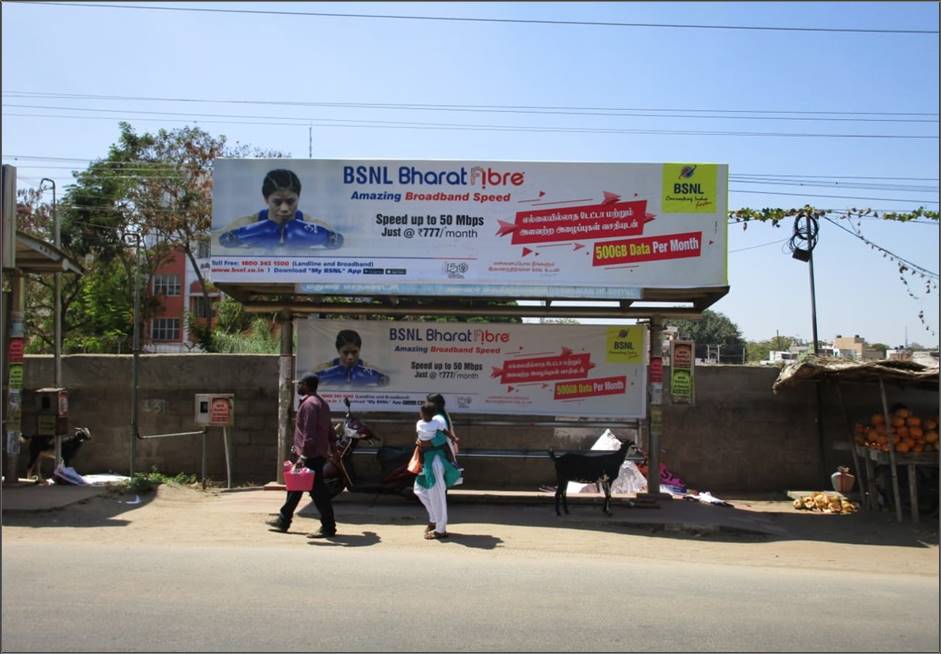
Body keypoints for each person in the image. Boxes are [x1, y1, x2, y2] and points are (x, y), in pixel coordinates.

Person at [266, 373, 338, 538]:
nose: (298, 386)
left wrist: (303, 457)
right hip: (316, 454)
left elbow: (309, 433)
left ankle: (328, 527)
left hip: (310, 455)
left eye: (300, 384)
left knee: (318, 493)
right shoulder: (322, 403)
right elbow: (329, 429)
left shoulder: (309, 405)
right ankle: (283, 521)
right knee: (295, 488)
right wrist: (333, 448)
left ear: (306, 385)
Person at [216, 168, 344, 250]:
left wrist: (328, 239)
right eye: (277, 202)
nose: (284, 208)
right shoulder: (248, 223)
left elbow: (346, 242)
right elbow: (213, 242)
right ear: (266, 199)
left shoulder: (313, 224)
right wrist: (234, 238)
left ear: (298, 198)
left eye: (290, 201)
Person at [414, 400, 462, 540]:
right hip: (428, 462)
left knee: (438, 497)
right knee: (419, 489)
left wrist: (426, 443)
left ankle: (441, 530)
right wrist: (421, 442)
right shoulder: (433, 420)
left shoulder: (438, 420)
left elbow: (442, 439)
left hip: (435, 461)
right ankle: (434, 519)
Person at [315, 329, 390, 387]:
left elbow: (388, 381)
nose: (350, 357)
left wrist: (380, 380)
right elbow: (306, 383)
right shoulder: (323, 368)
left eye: (354, 352)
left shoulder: (369, 369)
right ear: (338, 350)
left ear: (359, 349)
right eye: (346, 352)